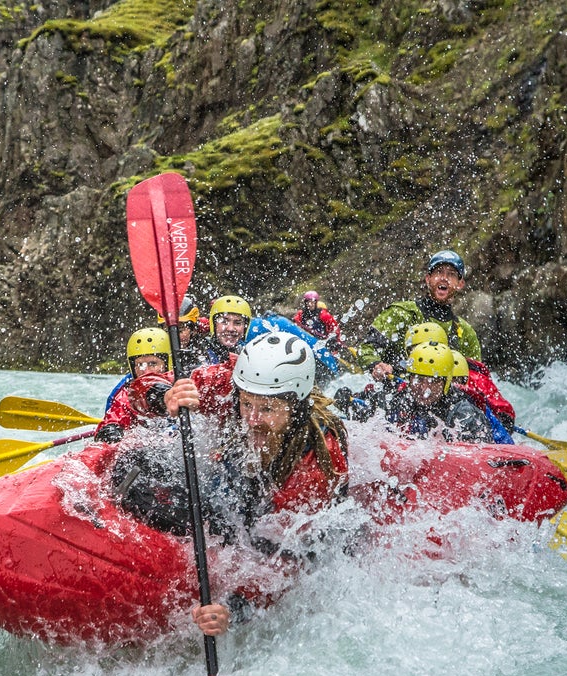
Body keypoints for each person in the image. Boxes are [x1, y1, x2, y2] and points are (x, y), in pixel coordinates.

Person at [159, 332, 350, 636]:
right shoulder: (233, 385)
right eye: (247, 405)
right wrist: (164, 395)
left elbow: (286, 563)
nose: (253, 419)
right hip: (246, 481)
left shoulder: (314, 470)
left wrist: (235, 609)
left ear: (295, 409)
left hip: (301, 532)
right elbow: (154, 379)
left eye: (269, 410)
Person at [357, 249, 482, 381]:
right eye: (439, 272)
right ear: (428, 279)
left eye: (451, 274)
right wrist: (376, 365)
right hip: (396, 389)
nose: (444, 278)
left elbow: (477, 377)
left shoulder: (466, 332)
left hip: (442, 397)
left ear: (460, 284)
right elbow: (367, 347)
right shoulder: (401, 313)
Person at [383, 342, 490, 442]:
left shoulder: (465, 415)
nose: (424, 388)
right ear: (409, 379)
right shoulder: (397, 402)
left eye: (433, 381)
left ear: (446, 383)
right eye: (418, 379)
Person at [95, 328, 174, 442]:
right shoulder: (127, 395)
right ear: (133, 367)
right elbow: (117, 415)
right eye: (140, 364)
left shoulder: (185, 384)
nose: (146, 371)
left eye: (153, 363)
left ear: (167, 363)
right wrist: (112, 429)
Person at [158, 294, 205, 374]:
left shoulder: (203, 357)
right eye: (167, 331)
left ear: (193, 330)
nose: (173, 336)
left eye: (180, 330)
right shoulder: (154, 355)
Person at [202, 295, 252, 364]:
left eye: (237, 323)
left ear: (245, 327)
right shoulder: (200, 353)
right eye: (224, 322)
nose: (230, 328)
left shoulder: (248, 355)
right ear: (214, 324)